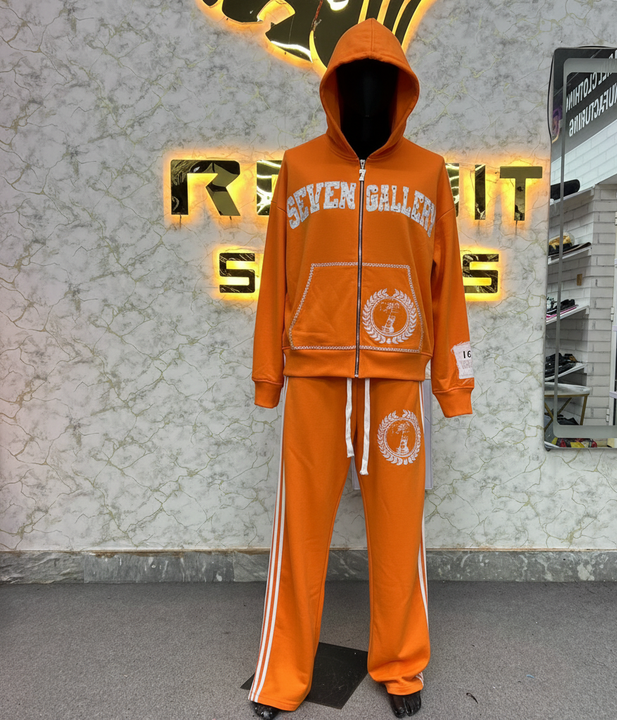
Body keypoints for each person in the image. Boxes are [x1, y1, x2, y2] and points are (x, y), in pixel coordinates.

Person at [249, 18, 474, 719]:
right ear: (335, 90)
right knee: (300, 535)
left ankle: (400, 665)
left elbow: (447, 287)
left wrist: (453, 384)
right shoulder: (298, 167)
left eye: (384, 83)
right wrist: (268, 375)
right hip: (313, 376)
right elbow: (276, 278)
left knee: (400, 530)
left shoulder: (429, 173)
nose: (370, 94)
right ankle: (284, 674)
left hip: (398, 381)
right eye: (355, 81)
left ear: (402, 92)